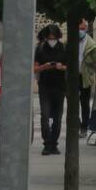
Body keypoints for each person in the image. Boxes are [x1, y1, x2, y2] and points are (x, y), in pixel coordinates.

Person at [34, 24, 68, 155]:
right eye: (49, 38)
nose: (51, 40)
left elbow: (70, 67)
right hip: (45, 86)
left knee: (58, 118)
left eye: (54, 37)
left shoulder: (63, 48)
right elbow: (35, 68)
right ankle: (47, 143)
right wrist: (45, 66)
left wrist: (61, 67)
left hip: (60, 86)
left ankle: (54, 143)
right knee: (45, 115)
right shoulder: (40, 48)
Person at [78, 19, 96, 137]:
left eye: (82, 29)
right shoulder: (70, 42)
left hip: (85, 77)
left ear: (86, 29)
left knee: (84, 102)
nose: (80, 31)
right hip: (72, 77)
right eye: (79, 28)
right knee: (71, 101)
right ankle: (76, 123)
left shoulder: (91, 45)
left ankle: (84, 126)